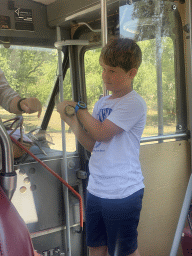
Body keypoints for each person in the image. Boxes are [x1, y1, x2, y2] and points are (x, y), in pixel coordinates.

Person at [57, 38, 147, 256]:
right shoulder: (102, 103)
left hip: (122, 192)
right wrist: (74, 124)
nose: (105, 76)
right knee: (95, 247)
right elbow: (93, 144)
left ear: (131, 73)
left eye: (113, 71)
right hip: (97, 189)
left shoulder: (134, 103)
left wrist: (78, 108)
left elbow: (101, 133)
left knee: (122, 250)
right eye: (104, 69)